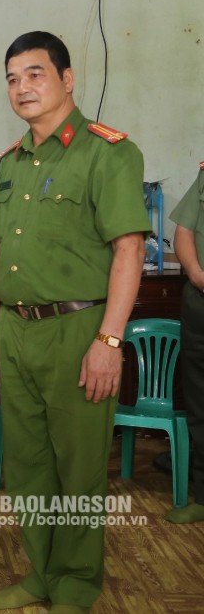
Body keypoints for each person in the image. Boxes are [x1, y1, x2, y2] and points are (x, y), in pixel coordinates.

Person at [0, 32, 149, 613]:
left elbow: (128, 250)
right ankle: (42, 574)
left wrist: (110, 339)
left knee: (78, 466)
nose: (22, 87)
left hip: (78, 332)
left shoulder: (107, 153)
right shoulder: (8, 165)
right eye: (12, 78)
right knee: (27, 466)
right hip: (16, 330)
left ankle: (78, 581)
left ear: (67, 78)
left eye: (34, 74)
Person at [166, 164, 204, 525]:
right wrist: (195, 274)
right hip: (200, 304)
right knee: (199, 403)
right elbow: (184, 231)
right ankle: (203, 496)